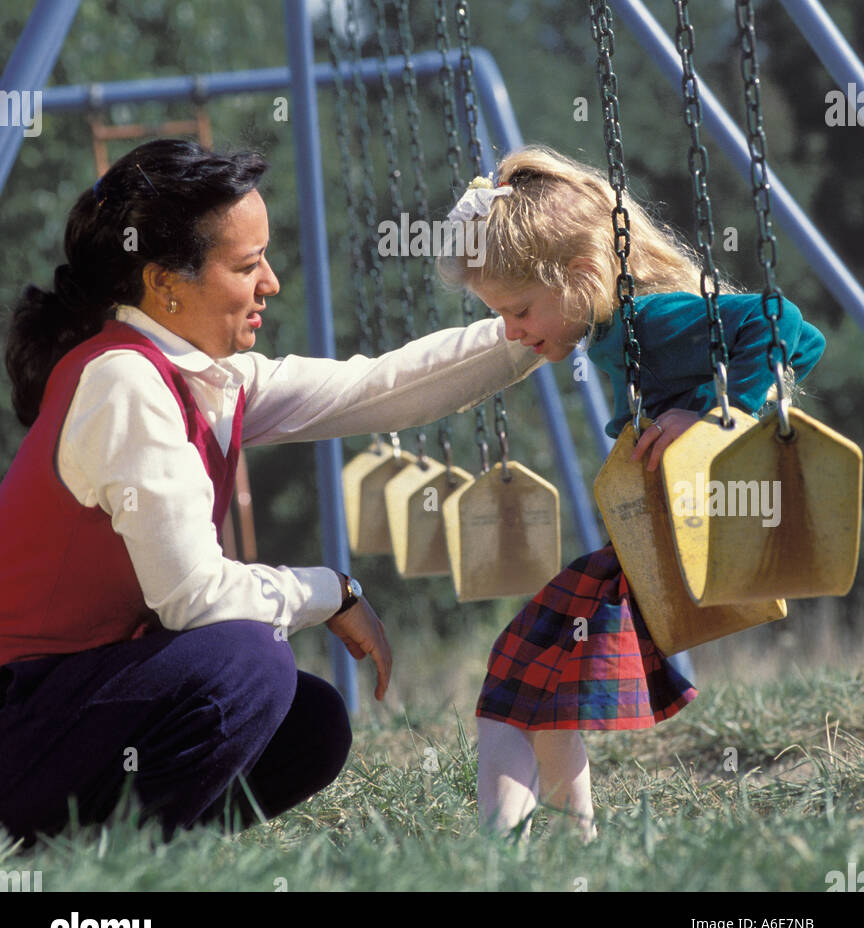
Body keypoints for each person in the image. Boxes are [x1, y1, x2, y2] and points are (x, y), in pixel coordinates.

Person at [0, 139, 545, 846]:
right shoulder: (124, 383)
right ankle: (113, 857)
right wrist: (333, 592)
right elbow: (193, 598)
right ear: (165, 283)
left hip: (67, 705)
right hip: (23, 714)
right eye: (248, 265)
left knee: (308, 724)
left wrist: (531, 326)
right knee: (249, 662)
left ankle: (102, 842)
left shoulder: (203, 377)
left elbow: (380, 387)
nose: (272, 283)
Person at [438, 145, 826, 844]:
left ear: (583, 273)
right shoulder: (621, 329)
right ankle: (574, 850)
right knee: (533, 693)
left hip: (676, 547)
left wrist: (717, 417)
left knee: (512, 686)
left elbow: (789, 325)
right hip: (654, 549)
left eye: (520, 310)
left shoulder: (651, 320)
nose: (512, 331)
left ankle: (500, 866)